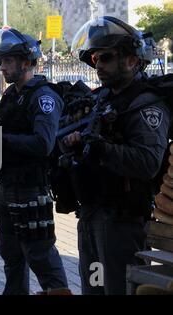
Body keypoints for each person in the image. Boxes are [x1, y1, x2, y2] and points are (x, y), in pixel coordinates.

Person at [64, 16, 170, 295]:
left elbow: (148, 163)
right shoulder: (103, 99)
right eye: (96, 58)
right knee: (94, 290)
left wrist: (99, 148)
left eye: (106, 57)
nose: (98, 64)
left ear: (132, 61)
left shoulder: (146, 105)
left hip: (121, 224)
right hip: (91, 216)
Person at [0, 28, 68, 295]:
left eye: (8, 61)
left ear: (27, 62)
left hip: (30, 188)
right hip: (6, 186)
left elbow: (43, 143)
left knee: (40, 255)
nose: (2, 67)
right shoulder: (10, 96)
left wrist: (1, 138)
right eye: (0, 61)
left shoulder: (42, 97)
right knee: (10, 254)